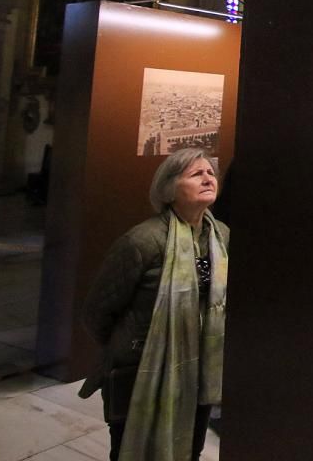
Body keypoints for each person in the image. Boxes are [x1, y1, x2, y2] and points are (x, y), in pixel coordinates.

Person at [79, 148, 229, 461]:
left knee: (190, 449)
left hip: (200, 366)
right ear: (169, 189)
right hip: (142, 366)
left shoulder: (221, 236)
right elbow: (98, 311)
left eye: (211, 173)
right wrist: (135, 346)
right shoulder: (142, 241)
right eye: (195, 174)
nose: (207, 178)